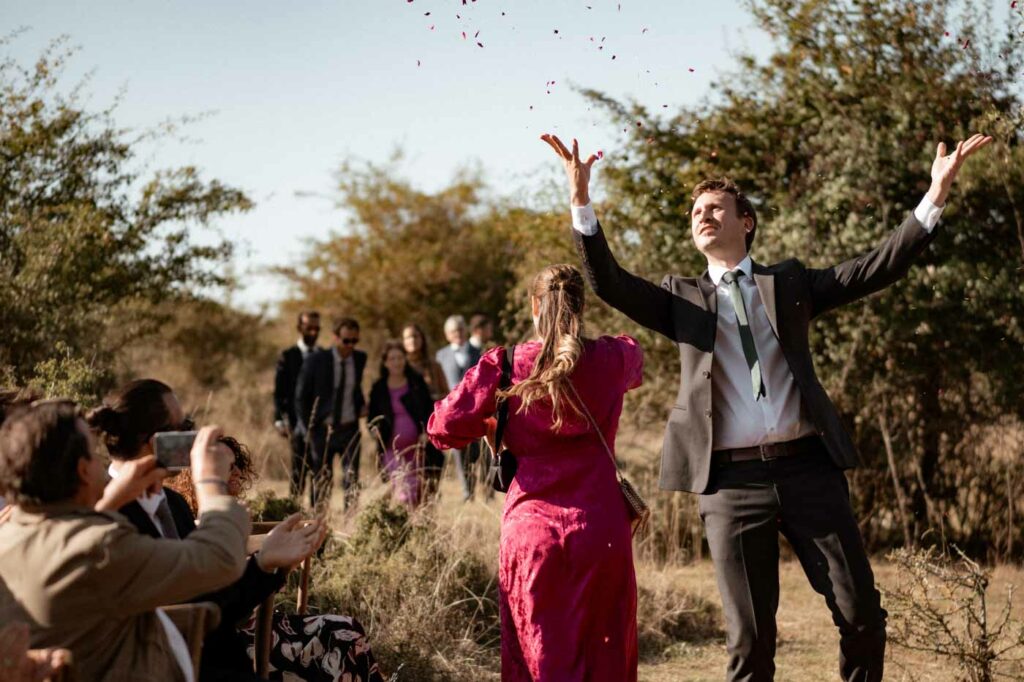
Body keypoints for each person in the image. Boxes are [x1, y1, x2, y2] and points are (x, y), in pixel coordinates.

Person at [541, 131, 993, 682]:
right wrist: (580, 200)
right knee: (751, 643)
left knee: (863, 618)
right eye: (696, 212)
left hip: (809, 469)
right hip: (730, 485)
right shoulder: (680, 298)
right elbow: (609, 283)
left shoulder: (790, 283)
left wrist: (935, 195)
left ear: (746, 222)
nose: (703, 216)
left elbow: (874, 267)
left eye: (715, 208)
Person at [429, 264, 643, 681]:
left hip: (531, 531)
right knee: (605, 654)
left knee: (539, 653)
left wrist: (490, 422)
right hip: (600, 527)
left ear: (534, 306)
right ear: (581, 307)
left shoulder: (505, 364)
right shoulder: (616, 356)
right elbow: (636, 362)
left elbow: (442, 428)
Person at [87, 379, 326, 682]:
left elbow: (213, 605)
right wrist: (212, 486)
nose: (194, 437)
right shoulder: (104, 515)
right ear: (157, 441)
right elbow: (185, 610)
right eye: (186, 426)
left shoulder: (173, 503)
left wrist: (265, 563)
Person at [0, 400, 248, 682]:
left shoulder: (9, 533)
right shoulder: (101, 550)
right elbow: (220, 558)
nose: (102, 462)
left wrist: (112, 500)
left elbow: (61, 542)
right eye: (94, 454)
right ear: (83, 471)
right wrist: (211, 482)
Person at [165, 436, 386, 682]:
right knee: (342, 634)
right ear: (201, 472)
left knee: (347, 630)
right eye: (228, 465)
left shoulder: (236, 515)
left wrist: (280, 560)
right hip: (231, 636)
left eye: (238, 464)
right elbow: (220, 557)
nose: (237, 471)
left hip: (253, 622)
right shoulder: (184, 516)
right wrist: (267, 548)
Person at [295, 317, 368, 511]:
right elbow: (301, 397)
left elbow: (355, 388)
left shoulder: (360, 359)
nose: (350, 345)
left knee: (351, 479)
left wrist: (361, 405)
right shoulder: (317, 360)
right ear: (335, 338)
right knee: (321, 480)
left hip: (350, 429)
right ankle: (318, 522)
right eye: (346, 340)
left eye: (355, 341)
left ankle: (350, 522)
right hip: (322, 430)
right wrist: (307, 430)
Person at [368, 341, 436, 508]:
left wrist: (427, 432)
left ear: (405, 359)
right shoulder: (378, 388)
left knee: (417, 488)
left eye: (400, 358)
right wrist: (374, 431)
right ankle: (404, 515)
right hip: (390, 449)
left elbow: (429, 408)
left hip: (417, 447)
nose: (397, 362)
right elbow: (371, 417)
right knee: (403, 488)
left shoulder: (416, 382)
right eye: (392, 359)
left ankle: (413, 520)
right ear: (385, 362)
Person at [274, 310, 322, 499]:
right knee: (298, 469)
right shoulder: (288, 356)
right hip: (295, 423)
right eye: (309, 327)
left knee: (319, 471)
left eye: (317, 328)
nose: (313, 332)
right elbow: (279, 392)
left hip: (319, 424)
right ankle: (294, 509)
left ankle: (318, 512)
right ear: (300, 328)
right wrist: (280, 420)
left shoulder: (323, 355)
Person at [435, 314, 482, 500]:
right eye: (454, 331)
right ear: (447, 335)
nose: (458, 334)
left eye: (461, 330)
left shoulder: (478, 352)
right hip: (452, 413)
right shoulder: (440, 356)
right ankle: (467, 492)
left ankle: (485, 489)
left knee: (478, 452)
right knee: (458, 452)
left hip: (475, 410)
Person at [402, 323, 449, 497]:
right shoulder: (400, 365)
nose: (412, 340)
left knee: (433, 468)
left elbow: (447, 395)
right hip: (407, 425)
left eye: (416, 336)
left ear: (422, 339)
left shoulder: (434, 366)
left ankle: (429, 505)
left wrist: (433, 396)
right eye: (408, 337)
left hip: (430, 425)